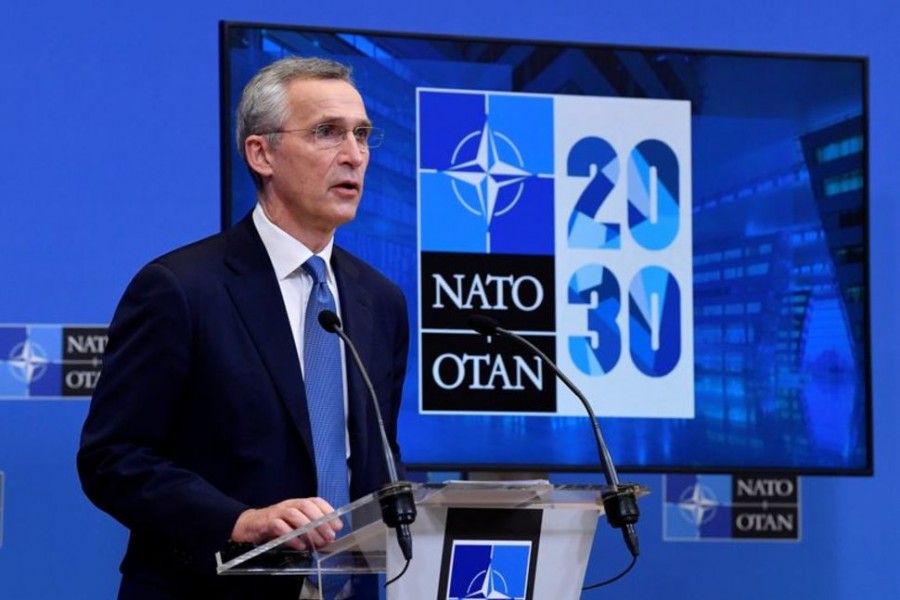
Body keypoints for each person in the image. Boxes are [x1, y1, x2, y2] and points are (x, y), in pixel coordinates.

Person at [77, 56, 410, 600]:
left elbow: (377, 457)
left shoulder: (381, 301)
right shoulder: (181, 288)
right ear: (262, 153)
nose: (353, 155)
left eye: (363, 134)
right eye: (327, 132)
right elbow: (113, 459)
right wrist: (238, 520)